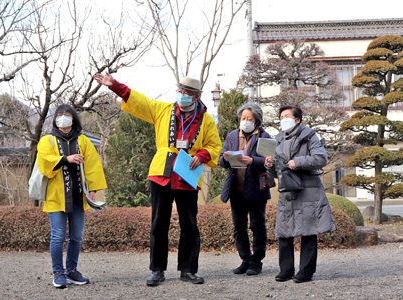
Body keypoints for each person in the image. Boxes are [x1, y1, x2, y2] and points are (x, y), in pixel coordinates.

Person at [94, 72, 222, 286]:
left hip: (188, 176)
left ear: (197, 96)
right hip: (161, 173)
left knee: (189, 224)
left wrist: (201, 156)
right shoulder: (163, 110)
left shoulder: (206, 120)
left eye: (187, 93)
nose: (182, 95)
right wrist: (114, 85)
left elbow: (214, 146)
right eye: (180, 91)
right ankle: (157, 270)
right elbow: (138, 101)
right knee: (158, 223)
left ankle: (188, 269)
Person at [36, 104, 107, 289]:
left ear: (74, 118)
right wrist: (66, 159)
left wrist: (93, 189)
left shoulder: (82, 140)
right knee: (58, 235)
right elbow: (43, 161)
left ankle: (72, 270)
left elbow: (93, 165)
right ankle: (58, 273)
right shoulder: (48, 140)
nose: (63, 117)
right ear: (55, 119)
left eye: (67, 114)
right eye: (59, 114)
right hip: (56, 196)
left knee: (77, 236)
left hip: (78, 195)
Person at [265, 105, 335, 283]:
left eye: (286, 116)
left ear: (297, 120)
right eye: (280, 116)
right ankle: (285, 270)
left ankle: (306, 272)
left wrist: (298, 162)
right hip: (287, 190)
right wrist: (270, 166)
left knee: (309, 230)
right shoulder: (277, 140)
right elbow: (277, 173)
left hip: (308, 189)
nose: (283, 119)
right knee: (284, 230)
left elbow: (321, 159)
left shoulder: (310, 136)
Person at [219, 103, 271, 276]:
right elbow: (221, 159)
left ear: (257, 120)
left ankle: (256, 261)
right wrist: (225, 159)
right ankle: (245, 259)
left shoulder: (264, 136)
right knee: (239, 227)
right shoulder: (232, 136)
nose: (246, 121)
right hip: (236, 188)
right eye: (243, 118)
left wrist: (253, 161)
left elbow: (269, 162)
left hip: (256, 187)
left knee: (257, 225)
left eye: (249, 119)